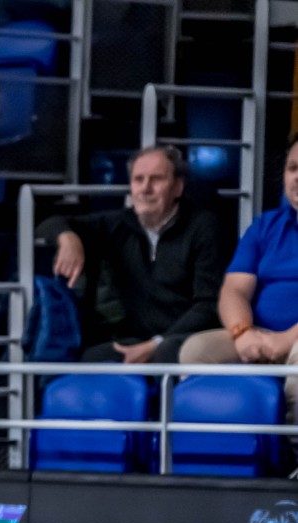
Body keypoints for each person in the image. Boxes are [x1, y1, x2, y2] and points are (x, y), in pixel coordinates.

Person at [39, 146, 221, 364]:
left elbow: (208, 305)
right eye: (138, 179)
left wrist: (156, 345)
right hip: (134, 341)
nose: (145, 188)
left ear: (177, 187)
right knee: (85, 361)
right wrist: (67, 238)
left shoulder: (204, 227)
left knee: (166, 353)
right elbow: (47, 223)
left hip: (185, 340)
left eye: (156, 179)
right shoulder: (118, 224)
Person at [180, 133, 298, 425]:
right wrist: (243, 332)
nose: (297, 177)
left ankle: (290, 450)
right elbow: (234, 290)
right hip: (261, 335)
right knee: (196, 351)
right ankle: (221, 445)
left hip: (293, 340)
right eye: (293, 168)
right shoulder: (265, 226)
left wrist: (286, 339)